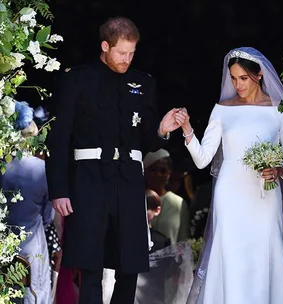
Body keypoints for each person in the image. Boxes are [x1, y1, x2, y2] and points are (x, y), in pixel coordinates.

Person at [45, 16, 183, 304]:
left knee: (130, 265)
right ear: (105, 45)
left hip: (130, 181)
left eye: (132, 53)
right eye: (122, 53)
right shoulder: (77, 79)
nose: (127, 59)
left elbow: (147, 138)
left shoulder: (143, 83)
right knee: (91, 265)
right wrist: (59, 190)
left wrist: (161, 129)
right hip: (89, 179)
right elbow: (58, 139)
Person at [175, 47, 283, 304]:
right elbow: (203, 159)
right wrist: (188, 130)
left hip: (265, 193)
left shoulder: (280, 109)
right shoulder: (222, 109)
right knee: (231, 252)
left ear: (258, 75)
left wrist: (280, 169)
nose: (237, 85)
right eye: (233, 78)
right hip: (230, 193)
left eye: (243, 78)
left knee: (266, 249)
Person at [1, 153, 53, 304]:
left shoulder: (4, 166)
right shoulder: (42, 169)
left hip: (4, 240)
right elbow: (48, 216)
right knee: (36, 292)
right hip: (32, 241)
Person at [143, 149, 190, 244]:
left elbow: (182, 240)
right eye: (153, 169)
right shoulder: (137, 199)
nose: (158, 174)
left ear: (169, 174)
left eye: (163, 170)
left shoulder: (178, 203)